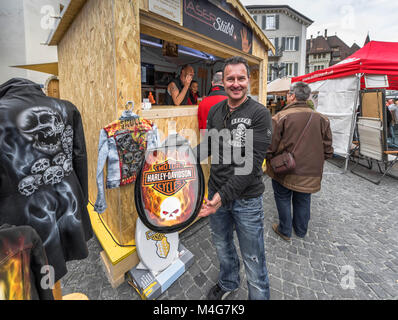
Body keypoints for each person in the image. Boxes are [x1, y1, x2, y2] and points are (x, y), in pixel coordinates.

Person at [195, 56, 273, 300]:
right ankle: (228, 282)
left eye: (241, 78)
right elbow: (208, 145)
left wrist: (220, 197)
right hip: (216, 194)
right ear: (223, 81)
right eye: (231, 79)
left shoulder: (259, 114)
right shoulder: (216, 111)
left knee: (253, 257)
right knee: (222, 246)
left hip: (246, 200)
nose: (236, 83)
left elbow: (249, 166)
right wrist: (181, 158)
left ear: (248, 81)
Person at [266, 81, 333, 241]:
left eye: (288, 95)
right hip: (311, 171)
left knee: (282, 197)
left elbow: (270, 146)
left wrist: (269, 159)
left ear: (292, 96)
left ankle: (285, 230)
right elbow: (328, 148)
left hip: (285, 169)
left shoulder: (280, 117)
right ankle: (301, 230)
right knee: (303, 198)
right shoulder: (322, 118)